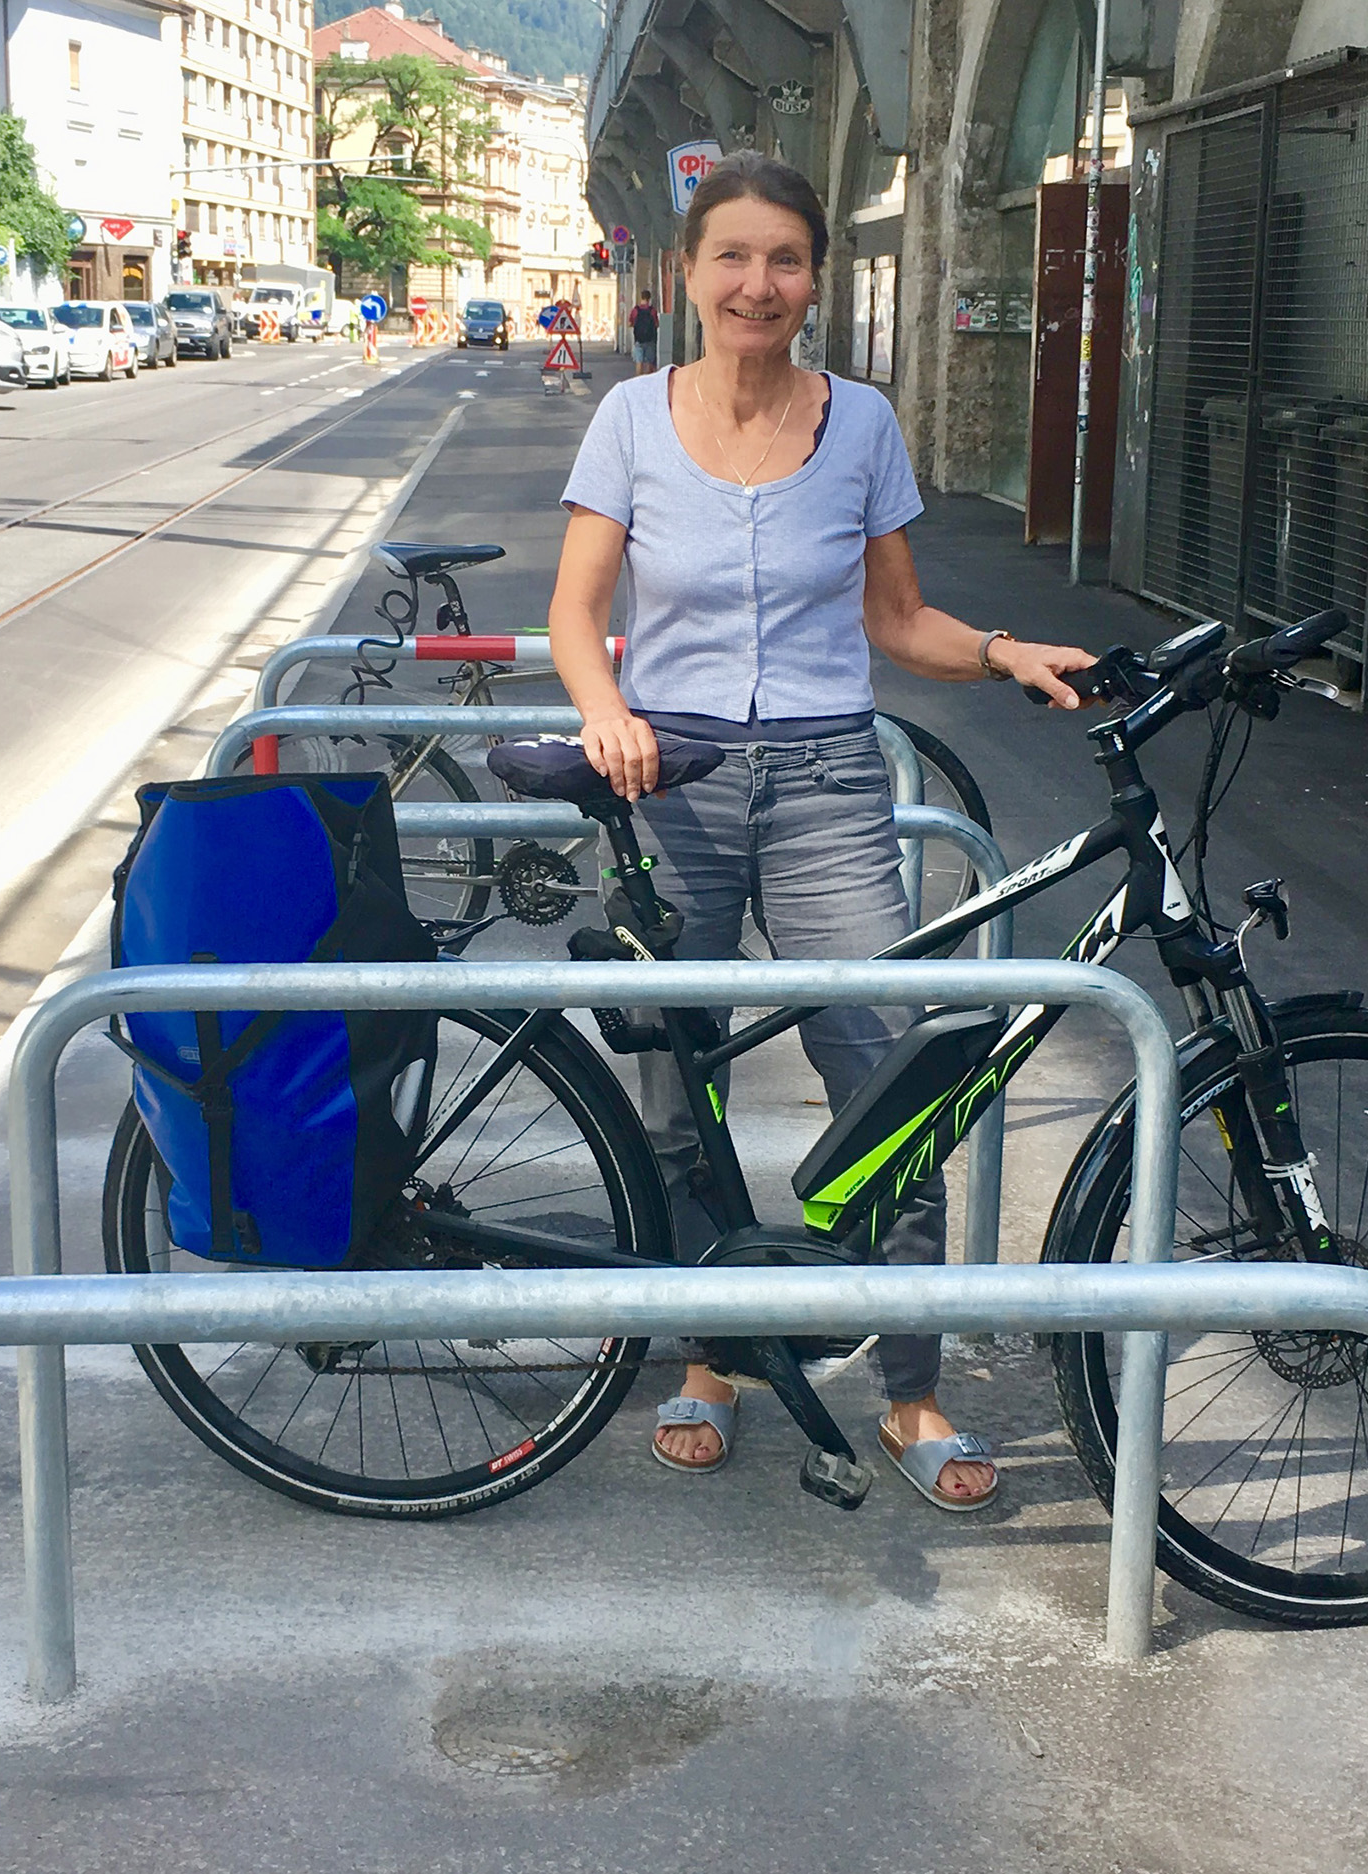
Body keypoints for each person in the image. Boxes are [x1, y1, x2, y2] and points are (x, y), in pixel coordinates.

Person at [546, 151, 1096, 1511]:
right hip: (666, 778)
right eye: (733, 257)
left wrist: (1005, 649)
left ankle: (909, 1388)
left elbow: (896, 618)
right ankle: (716, 1359)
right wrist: (604, 706)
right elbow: (574, 609)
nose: (758, 284)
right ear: (688, 272)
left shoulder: (860, 425)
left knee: (887, 1079)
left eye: (784, 260)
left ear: (814, 280)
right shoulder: (628, 416)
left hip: (828, 784)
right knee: (683, 1084)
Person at [628, 290, 659, 374]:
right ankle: (648, 381)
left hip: (639, 340)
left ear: (641, 297)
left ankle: (639, 381)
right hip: (650, 340)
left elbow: (630, 323)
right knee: (649, 362)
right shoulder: (652, 311)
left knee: (639, 362)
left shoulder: (635, 310)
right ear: (649, 298)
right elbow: (656, 324)